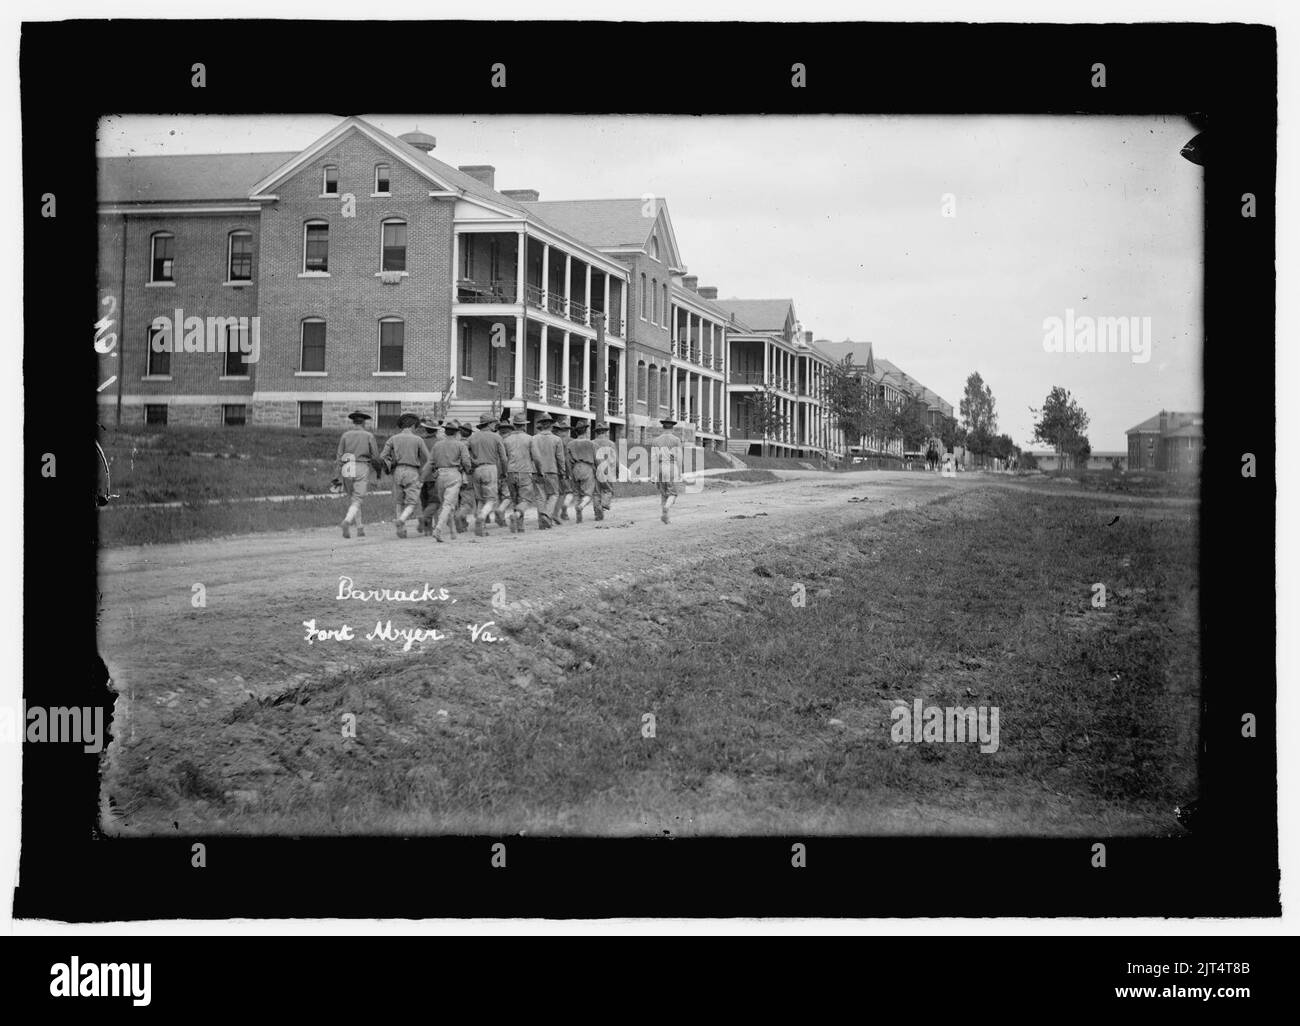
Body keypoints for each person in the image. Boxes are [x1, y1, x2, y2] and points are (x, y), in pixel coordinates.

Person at [378, 412, 430, 538]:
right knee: (412, 502)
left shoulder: (393, 439)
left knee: (399, 501)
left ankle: (401, 530)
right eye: (416, 426)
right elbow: (429, 459)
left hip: (397, 471)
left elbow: (382, 457)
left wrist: (390, 463)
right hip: (412, 471)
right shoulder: (418, 439)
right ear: (412, 425)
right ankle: (401, 519)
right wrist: (423, 472)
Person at [423, 419, 473, 542]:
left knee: (446, 504)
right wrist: (468, 471)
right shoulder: (460, 445)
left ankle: (452, 531)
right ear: (457, 433)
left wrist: (422, 477)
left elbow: (430, 463)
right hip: (454, 475)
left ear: (445, 432)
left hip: (440, 476)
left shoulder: (437, 445)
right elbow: (466, 462)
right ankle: (438, 529)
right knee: (448, 504)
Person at [336, 410, 381, 538]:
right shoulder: (368, 436)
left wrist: (337, 476)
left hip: (347, 466)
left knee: (353, 499)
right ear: (364, 422)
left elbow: (339, 456)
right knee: (358, 498)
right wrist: (378, 473)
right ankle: (347, 521)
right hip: (361, 466)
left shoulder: (345, 435)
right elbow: (376, 457)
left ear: (354, 422)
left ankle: (360, 527)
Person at [466, 411, 509, 537]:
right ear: (489, 424)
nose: (495, 425)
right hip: (490, 468)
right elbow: (504, 458)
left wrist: (471, 462)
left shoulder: (472, 437)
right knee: (491, 499)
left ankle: (482, 525)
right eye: (494, 423)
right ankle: (481, 517)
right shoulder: (496, 437)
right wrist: (505, 472)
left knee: (480, 499)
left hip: (476, 469)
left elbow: (464, 451)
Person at [501, 410, 538, 533]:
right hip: (525, 471)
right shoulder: (529, 439)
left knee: (515, 499)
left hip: (511, 471)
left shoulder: (506, 440)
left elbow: (504, 458)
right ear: (524, 425)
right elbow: (536, 457)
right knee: (526, 500)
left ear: (514, 425)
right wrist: (538, 469)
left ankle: (520, 526)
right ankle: (515, 517)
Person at [529, 412, 567, 529]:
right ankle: (547, 515)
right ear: (551, 425)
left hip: (536, 471)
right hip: (552, 470)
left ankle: (542, 521)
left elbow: (531, 456)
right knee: (554, 494)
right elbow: (560, 458)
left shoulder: (533, 439)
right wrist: (563, 472)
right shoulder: (557, 439)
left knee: (540, 496)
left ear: (541, 425)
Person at [566, 420, 602, 523]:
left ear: (576, 432)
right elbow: (597, 459)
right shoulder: (591, 444)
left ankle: (579, 516)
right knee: (588, 493)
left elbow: (567, 460)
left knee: (576, 493)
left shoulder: (570, 444)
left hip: (575, 468)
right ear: (586, 431)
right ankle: (581, 506)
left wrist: (569, 473)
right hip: (587, 468)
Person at [651, 416, 683, 524]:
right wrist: (680, 472)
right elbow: (679, 458)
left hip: (660, 467)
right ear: (672, 428)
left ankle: (666, 516)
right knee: (673, 494)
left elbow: (653, 458)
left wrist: (653, 474)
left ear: (663, 427)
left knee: (663, 494)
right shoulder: (676, 440)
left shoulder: (656, 440)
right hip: (671, 466)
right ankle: (666, 509)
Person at [414, 418, 442, 535]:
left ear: (425, 429)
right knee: (436, 502)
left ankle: (428, 529)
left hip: (421, 475)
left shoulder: (419, 441)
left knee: (425, 502)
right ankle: (425, 518)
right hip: (435, 476)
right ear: (436, 431)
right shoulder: (439, 443)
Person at [593, 422, 615, 514]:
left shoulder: (591, 443)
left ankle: (597, 509)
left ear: (597, 433)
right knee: (608, 489)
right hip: (607, 469)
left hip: (595, 469)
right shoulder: (610, 443)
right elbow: (614, 459)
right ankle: (604, 504)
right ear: (605, 432)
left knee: (596, 491)